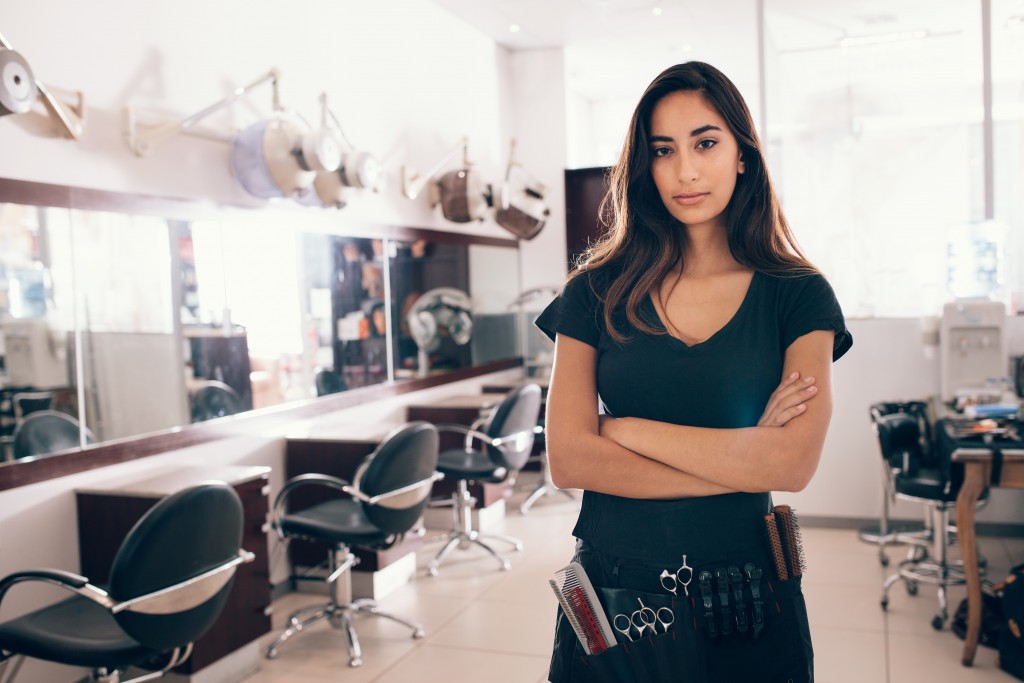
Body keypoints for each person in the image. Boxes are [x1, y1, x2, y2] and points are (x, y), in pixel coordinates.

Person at [536, 61, 852, 682]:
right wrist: (744, 459)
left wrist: (623, 428)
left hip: (749, 592)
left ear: (742, 154)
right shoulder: (593, 292)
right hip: (616, 591)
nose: (685, 170)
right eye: (663, 150)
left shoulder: (798, 294)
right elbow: (569, 459)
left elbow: (792, 465)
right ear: (645, 167)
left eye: (706, 143)